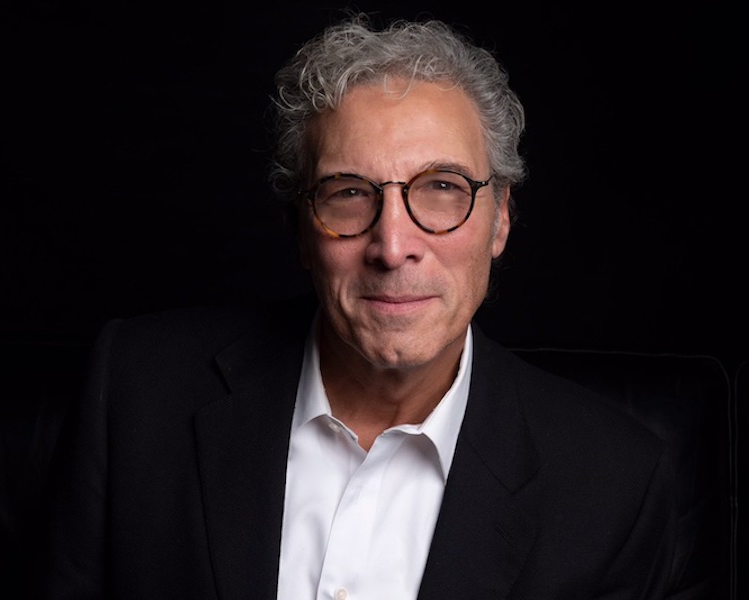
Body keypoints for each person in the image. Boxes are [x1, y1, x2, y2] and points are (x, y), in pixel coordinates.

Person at [36, 13, 685, 599]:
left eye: (442, 187)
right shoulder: (135, 391)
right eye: (348, 193)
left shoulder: (615, 485)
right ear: (301, 229)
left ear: (501, 219)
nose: (393, 246)